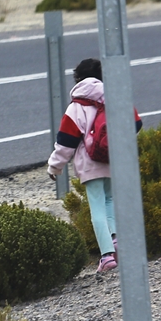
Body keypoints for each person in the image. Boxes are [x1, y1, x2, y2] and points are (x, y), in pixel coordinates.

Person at [47, 58, 124, 274]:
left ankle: (107, 256)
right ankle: (115, 238)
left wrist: (54, 167)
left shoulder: (76, 107)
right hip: (112, 159)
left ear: (78, 79)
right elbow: (134, 123)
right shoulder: (114, 97)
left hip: (90, 164)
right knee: (109, 200)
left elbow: (65, 143)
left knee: (97, 207)